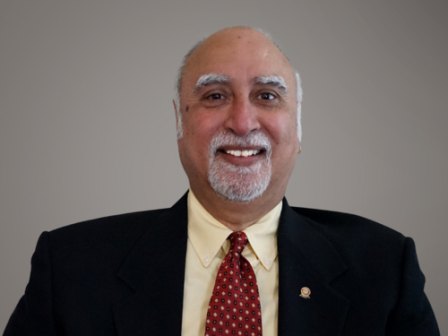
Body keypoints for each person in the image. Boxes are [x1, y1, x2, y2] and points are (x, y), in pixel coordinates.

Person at [3, 26, 439, 336]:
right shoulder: (71, 267)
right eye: (215, 96)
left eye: (267, 96)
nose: (243, 121)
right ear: (180, 120)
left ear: (299, 128)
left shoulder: (384, 269)